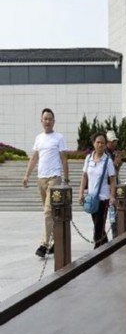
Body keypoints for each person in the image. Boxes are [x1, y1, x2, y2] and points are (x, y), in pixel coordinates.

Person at [22, 108, 69, 258]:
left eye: (50, 119)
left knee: (48, 212)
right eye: (45, 119)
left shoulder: (59, 138)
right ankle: (55, 242)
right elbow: (34, 158)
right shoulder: (39, 138)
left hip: (54, 178)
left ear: (54, 121)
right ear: (41, 121)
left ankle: (44, 245)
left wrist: (66, 179)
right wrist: (27, 175)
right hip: (41, 179)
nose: (48, 121)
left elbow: (64, 159)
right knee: (50, 213)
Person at [79, 132, 116, 249]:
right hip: (91, 199)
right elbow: (84, 176)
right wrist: (81, 193)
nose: (100, 145)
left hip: (103, 199)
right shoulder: (88, 158)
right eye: (98, 142)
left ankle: (97, 250)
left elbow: (113, 180)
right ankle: (106, 247)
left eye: (102, 143)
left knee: (99, 227)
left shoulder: (107, 161)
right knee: (97, 225)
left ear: (105, 145)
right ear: (93, 143)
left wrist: (112, 196)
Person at [105, 130, 121, 238]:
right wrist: (114, 164)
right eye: (113, 141)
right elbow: (108, 173)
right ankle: (114, 234)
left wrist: (118, 165)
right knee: (112, 212)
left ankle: (116, 234)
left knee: (115, 212)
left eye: (115, 141)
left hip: (114, 185)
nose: (115, 143)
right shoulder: (105, 154)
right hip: (108, 187)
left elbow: (115, 173)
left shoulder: (113, 153)